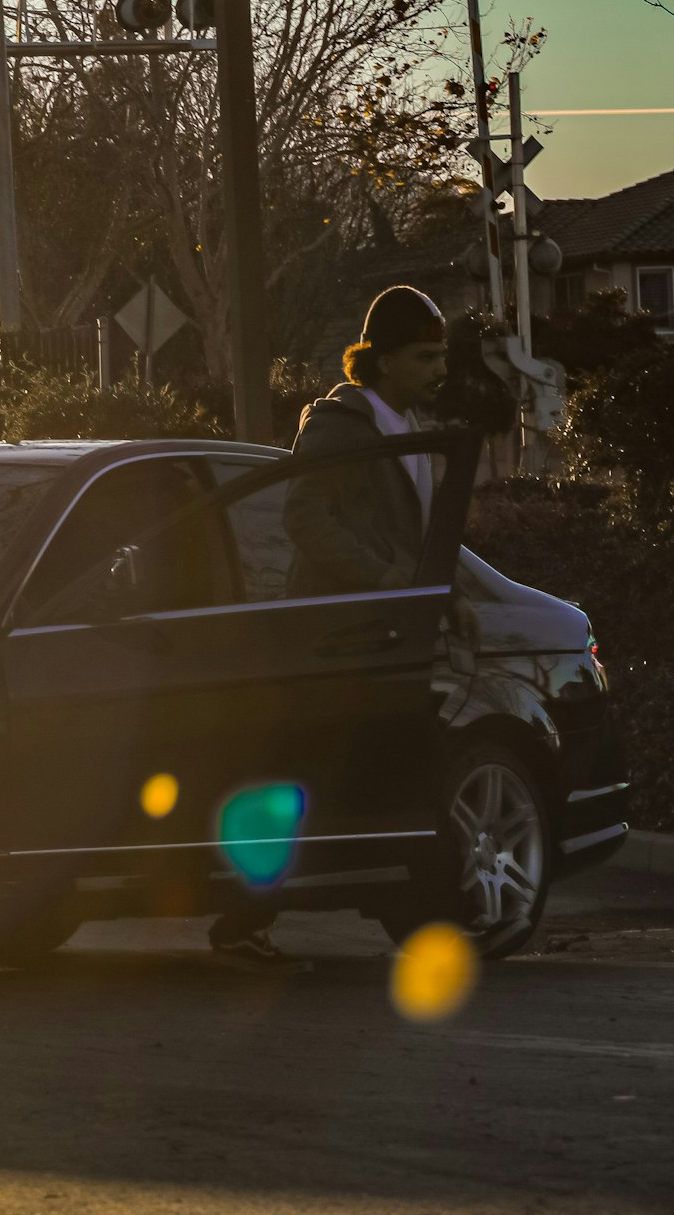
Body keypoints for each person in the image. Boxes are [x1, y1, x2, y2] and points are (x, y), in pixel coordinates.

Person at [208, 285, 448, 973]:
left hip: (387, 637)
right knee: (304, 778)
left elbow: (416, 531)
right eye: (426, 356)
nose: (439, 370)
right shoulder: (341, 425)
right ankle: (242, 919)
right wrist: (382, 580)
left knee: (378, 771)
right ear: (383, 359)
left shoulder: (411, 427)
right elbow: (306, 519)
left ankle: (423, 908)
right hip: (332, 637)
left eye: (442, 355)